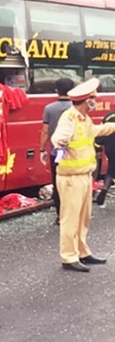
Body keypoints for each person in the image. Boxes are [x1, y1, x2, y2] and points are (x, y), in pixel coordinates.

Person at [51, 77, 115, 272]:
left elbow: (95, 131)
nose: (95, 101)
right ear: (87, 100)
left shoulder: (83, 119)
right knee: (70, 218)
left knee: (83, 218)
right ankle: (69, 257)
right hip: (71, 178)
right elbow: (60, 135)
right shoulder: (69, 118)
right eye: (94, 98)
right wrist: (59, 141)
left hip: (84, 177)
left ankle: (82, 252)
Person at [39, 78, 75, 224]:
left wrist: (42, 149)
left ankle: (61, 216)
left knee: (58, 183)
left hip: (58, 153)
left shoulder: (49, 108)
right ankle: (73, 215)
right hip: (75, 153)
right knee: (74, 184)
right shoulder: (77, 108)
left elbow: (45, 132)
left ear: (56, 91)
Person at [95, 108, 115, 206]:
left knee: (111, 170)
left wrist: (98, 148)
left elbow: (100, 132)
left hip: (111, 147)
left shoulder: (109, 115)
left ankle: (104, 190)